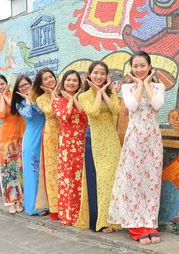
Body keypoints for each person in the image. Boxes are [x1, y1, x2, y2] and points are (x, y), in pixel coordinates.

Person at [108, 51, 165, 244]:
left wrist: (147, 84)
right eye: (135, 66)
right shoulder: (127, 87)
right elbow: (132, 107)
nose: (139, 69)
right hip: (134, 139)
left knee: (151, 181)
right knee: (133, 180)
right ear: (131, 69)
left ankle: (149, 223)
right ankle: (135, 225)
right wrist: (140, 84)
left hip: (152, 139)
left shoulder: (159, 86)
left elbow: (157, 105)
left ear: (149, 66)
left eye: (142, 65)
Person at [75, 61, 121, 233]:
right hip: (96, 140)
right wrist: (99, 93)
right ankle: (102, 221)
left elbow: (116, 110)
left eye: (102, 73)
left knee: (114, 179)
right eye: (96, 73)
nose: (99, 76)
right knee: (102, 180)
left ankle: (115, 219)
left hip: (112, 139)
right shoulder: (84, 96)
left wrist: (104, 92)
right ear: (89, 76)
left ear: (107, 76)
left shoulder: (113, 92)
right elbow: (93, 113)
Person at [51, 70, 87, 226]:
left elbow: (86, 117)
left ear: (79, 84)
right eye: (68, 80)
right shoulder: (57, 101)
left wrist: (75, 99)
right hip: (67, 144)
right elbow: (64, 117)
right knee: (68, 178)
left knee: (81, 178)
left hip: (82, 142)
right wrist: (70, 100)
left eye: (75, 81)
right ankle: (67, 214)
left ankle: (81, 213)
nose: (71, 83)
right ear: (63, 83)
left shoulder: (83, 99)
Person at [10, 75, 48, 216]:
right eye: (21, 86)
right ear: (17, 89)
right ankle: (34, 207)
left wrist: (32, 99)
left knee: (43, 171)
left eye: (27, 84)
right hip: (31, 140)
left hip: (44, 136)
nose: (25, 87)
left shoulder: (39, 98)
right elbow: (29, 115)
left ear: (32, 84)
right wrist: (27, 101)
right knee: (32, 173)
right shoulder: (19, 103)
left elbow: (41, 111)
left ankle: (45, 204)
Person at [0, 74, 25, 214]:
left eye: (2, 84)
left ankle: (20, 200)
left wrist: (6, 95)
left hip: (21, 136)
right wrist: (2, 97)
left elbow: (16, 109)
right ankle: (11, 202)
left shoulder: (15, 95)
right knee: (8, 173)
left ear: (7, 84)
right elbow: (2, 114)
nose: (0, 87)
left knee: (20, 171)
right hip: (7, 141)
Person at [32, 68, 60, 220]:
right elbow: (51, 112)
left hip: (66, 133)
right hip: (50, 135)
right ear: (41, 83)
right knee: (52, 170)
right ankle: (55, 208)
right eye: (46, 79)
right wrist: (54, 95)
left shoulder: (64, 92)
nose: (50, 80)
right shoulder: (41, 98)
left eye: (51, 77)